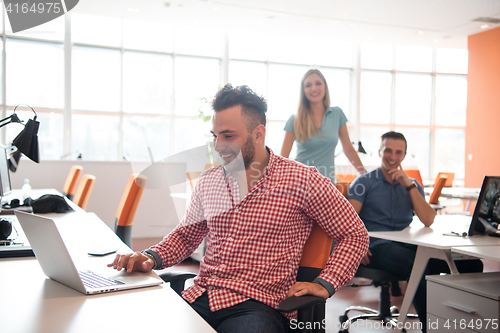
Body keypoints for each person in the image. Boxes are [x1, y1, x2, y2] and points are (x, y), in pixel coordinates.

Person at [108, 84, 369, 333]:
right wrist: (150, 257)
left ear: (258, 133)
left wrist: (326, 283)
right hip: (203, 296)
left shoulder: (303, 180)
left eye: (228, 136)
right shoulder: (209, 181)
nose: (218, 145)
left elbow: (355, 234)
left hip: (258, 305)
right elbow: (186, 236)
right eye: (215, 135)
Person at [346, 131, 483, 332]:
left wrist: (408, 185)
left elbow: (428, 219)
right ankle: (433, 327)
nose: (392, 157)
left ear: (404, 155)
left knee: (471, 264)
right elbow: (346, 221)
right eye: (388, 151)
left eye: (398, 152)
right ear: (379, 152)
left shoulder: (412, 185)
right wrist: (357, 245)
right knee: (416, 265)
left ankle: (463, 322)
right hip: (375, 247)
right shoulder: (364, 183)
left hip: (407, 244)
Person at [281, 68, 366, 183]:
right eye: (308, 85)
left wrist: (366, 175)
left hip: (327, 184)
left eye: (318, 83)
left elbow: (349, 150)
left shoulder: (337, 114)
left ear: (325, 87)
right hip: (300, 183)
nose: (314, 88)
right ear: (303, 90)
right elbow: (283, 158)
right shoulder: (294, 120)